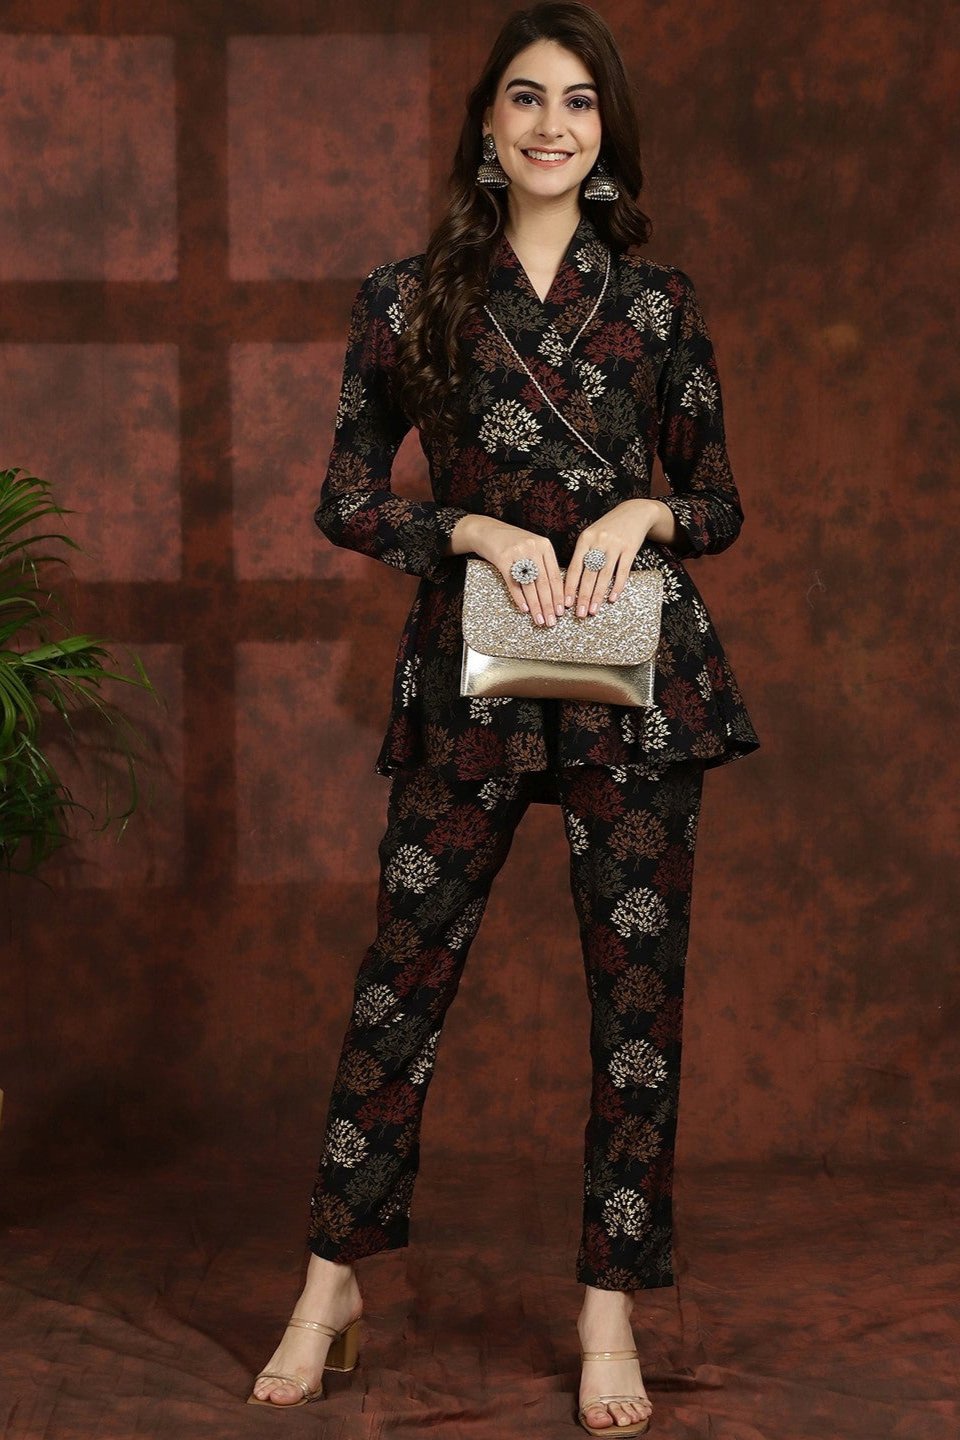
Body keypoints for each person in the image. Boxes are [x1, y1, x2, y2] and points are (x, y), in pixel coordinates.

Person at [247, 2, 760, 1432]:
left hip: (636, 686)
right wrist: (467, 527)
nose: (552, 124)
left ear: (607, 133)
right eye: (527, 97)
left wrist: (650, 510)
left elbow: (720, 500)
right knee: (399, 983)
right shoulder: (407, 297)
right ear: (486, 123)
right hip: (466, 677)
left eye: (580, 102)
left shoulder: (659, 303)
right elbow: (346, 498)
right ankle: (328, 1290)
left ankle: (609, 1314)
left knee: (637, 1007)